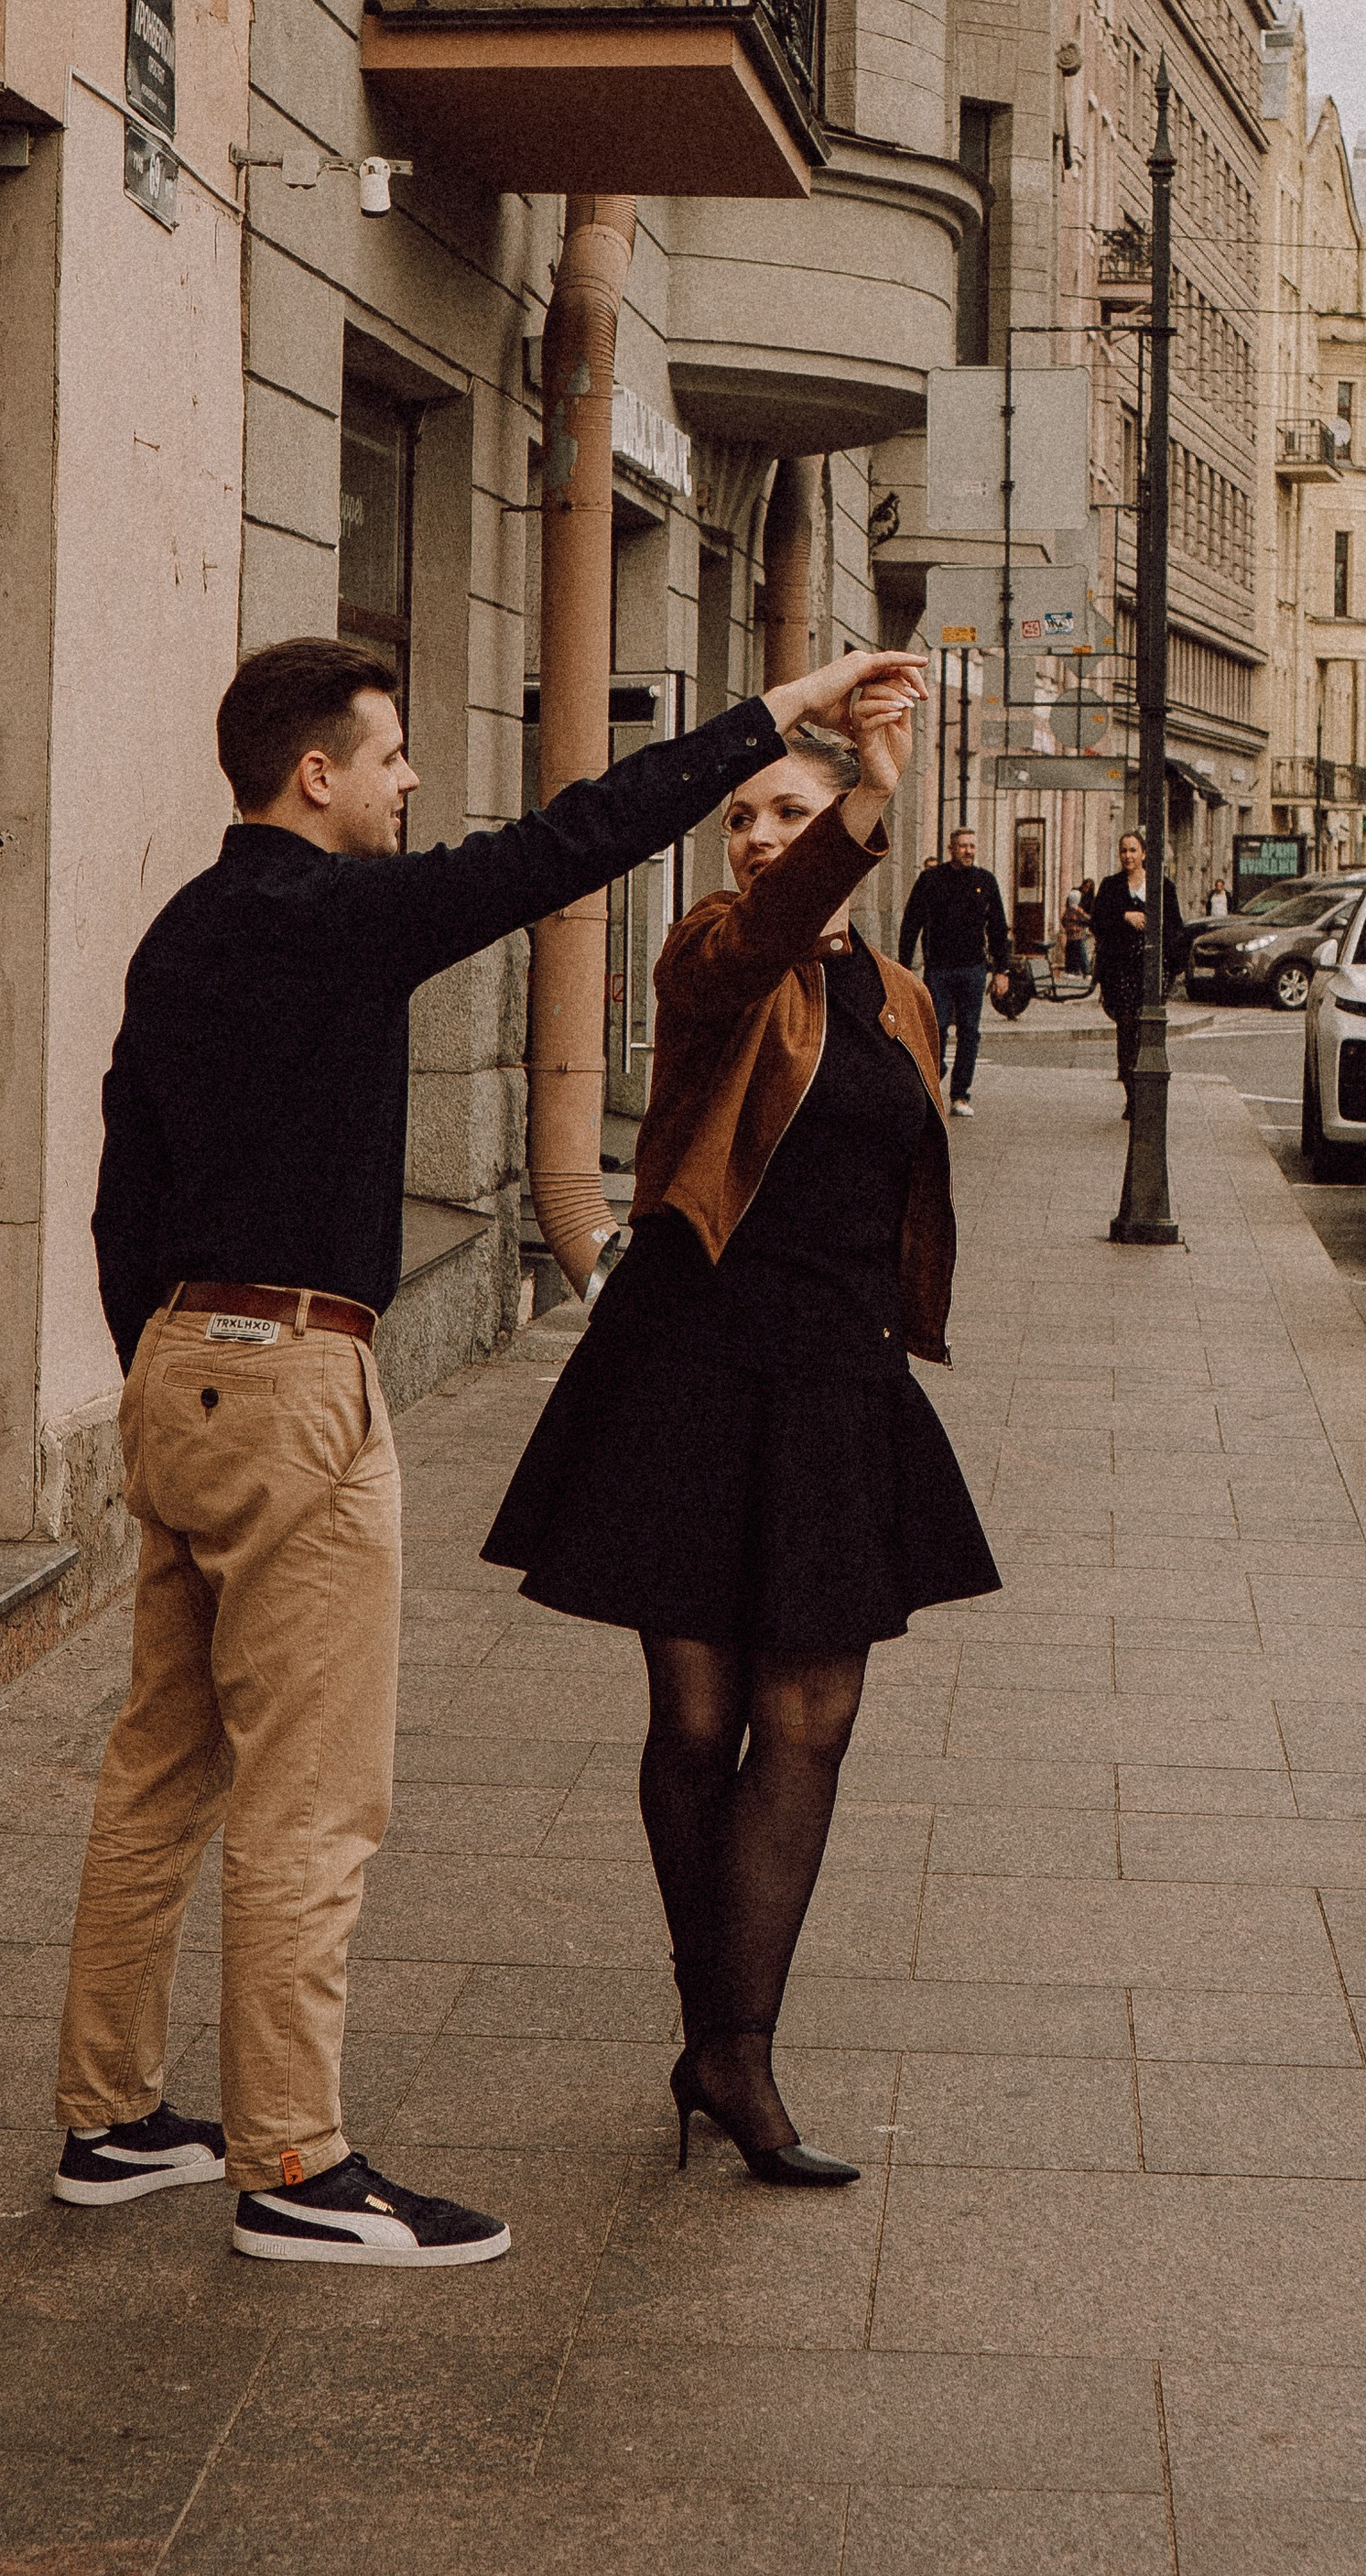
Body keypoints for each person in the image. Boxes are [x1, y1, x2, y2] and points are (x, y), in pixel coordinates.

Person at [54, 631, 920, 2271]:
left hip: (179, 1364)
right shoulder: (344, 914)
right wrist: (789, 708)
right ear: (316, 773)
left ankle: (109, 2118)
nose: (408, 784)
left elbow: (123, 1172)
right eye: (389, 758)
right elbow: (573, 841)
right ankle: (294, 2165)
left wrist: (161, 1369)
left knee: (161, 1763)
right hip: (293, 1367)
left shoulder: (184, 928)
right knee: (316, 1798)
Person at [482, 672, 999, 2187]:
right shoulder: (711, 954)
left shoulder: (899, 998)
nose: (760, 839)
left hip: (836, 1383)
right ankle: (731, 2048)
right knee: (698, 1724)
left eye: (788, 812)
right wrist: (867, 797)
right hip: (695, 1368)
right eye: (744, 821)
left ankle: (728, 2043)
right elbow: (765, 932)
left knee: (810, 1720)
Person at [897, 825, 1011, 1113]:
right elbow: (911, 922)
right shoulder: (931, 880)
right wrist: (904, 966)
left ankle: (960, 1095)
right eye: (963, 846)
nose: (968, 851)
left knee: (969, 1032)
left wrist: (1002, 970)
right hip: (938, 969)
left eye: (972, 846)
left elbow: (998, 927)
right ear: (951, 849)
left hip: (973, 968)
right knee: (935, 1029)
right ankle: (933, 1082)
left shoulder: (985, 881)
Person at [1089, 828, 1187, 1112]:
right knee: (1126, 1028)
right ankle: (1131, 1095)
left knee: (1148, 1032)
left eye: (1133, 850)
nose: (1128, 855)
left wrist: (1172, 966)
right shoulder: (1111, 886)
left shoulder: (1162, 886)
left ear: (1144, 853)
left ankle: (1146, 1096)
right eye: (1124, 850)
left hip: (1151, 971)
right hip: (1120, 970)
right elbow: (1097, 922)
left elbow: (1175, 927)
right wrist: (1124, 916)